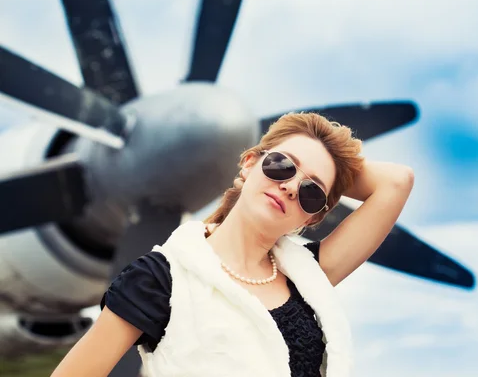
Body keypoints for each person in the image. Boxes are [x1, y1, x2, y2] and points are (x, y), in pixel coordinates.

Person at [51, 112, 414, 377]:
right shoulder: (160, 279)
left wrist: (335, 165)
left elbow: (397, 181)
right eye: (281, 165)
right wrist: (322, 168)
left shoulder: (310, 278)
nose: (290, 186)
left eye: (311, 191)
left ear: (311, 218)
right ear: (248, 164)